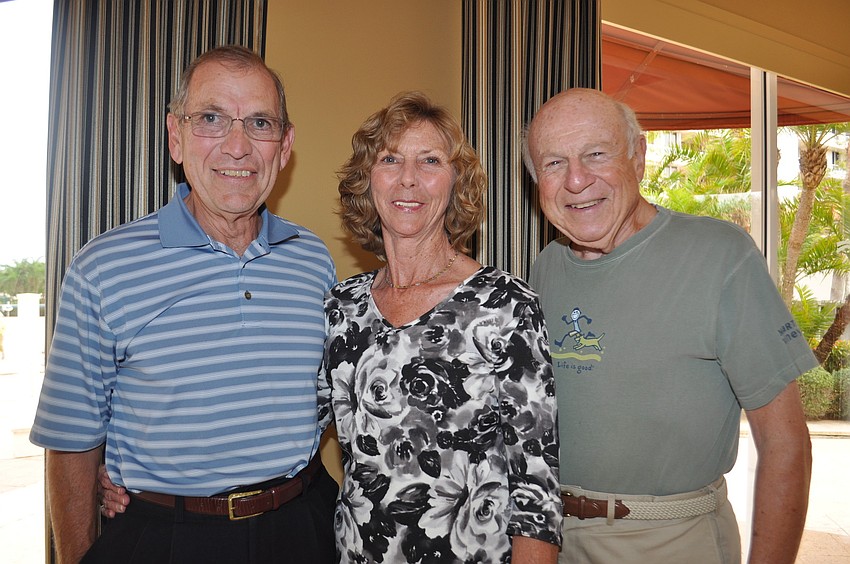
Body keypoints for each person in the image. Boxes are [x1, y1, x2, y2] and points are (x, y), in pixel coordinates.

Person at [29, 45, 338, 564]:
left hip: (300, 524)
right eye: (212, 119)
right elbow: (71, 441)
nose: (237, 146)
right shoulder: (102, 268)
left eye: (260, 123)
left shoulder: (314, 261)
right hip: (168, 538)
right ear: (176, 136)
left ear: (285, 147)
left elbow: (329, 399)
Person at [522, 88, 817, 564]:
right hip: (552, 538)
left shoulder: (721, 255)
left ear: (638, 156)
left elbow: (786, 444)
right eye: (554, 163)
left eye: (596, 154)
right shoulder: (545, 269)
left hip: (670, 542)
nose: (577, 180)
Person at [325, 91, 562, 563]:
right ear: (368, 181)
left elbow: (536, 488)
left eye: (430, 161)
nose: (408, 179)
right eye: (390, 159)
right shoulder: (341, 307)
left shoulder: (504, 306)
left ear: (456, 183)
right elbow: (291, 430)